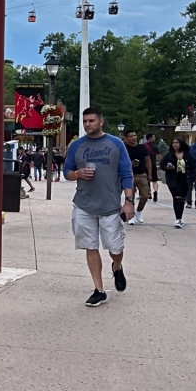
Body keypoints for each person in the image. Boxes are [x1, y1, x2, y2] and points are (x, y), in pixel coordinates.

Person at [63, 106, 134, 307]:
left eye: (91, 121)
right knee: (90, 245)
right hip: (84, 205)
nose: (88, 125)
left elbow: (126, 174)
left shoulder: (115, 144)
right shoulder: (77, 146)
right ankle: (99, 290)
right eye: (85, 121)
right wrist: (77, 174)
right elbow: (66, 171)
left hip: (110, 206)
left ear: (101, 121)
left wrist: (128, 202)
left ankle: (117, 266)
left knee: (115, 246)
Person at [160, 138, 196, 228]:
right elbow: (162, 165)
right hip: (173, 179)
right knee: (177, 197)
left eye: (177, 143)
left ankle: (180, 218)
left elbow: (195, 165)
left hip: (185, 179)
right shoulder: (169, 155)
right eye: (173, 143)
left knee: (182, 199)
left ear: (181, 144)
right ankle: (177, 219)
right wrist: (167, 167)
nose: (175, 144)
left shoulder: (188, 155)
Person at [123, 129, 152, 224]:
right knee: (130, 196)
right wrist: (130, 165)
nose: (133, 138)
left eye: (134, 135)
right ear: (126, 139)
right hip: (129, 175)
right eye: (131, 136)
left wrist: (150, 174)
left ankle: (138, 211)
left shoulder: (142, 148)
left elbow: (148, 161)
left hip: (142, 174)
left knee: (145, 195)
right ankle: (130, 216)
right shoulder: (124, 148)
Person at [143, 133, 160, 201]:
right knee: (154, 181)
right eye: (154, 137)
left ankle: (148, 193)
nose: (154, 138)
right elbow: (159, 157)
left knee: (147, 181)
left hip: (145, 166)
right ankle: (155, 192)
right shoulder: (155, 146)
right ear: (150, 138)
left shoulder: (143, 146)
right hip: (153, 165)